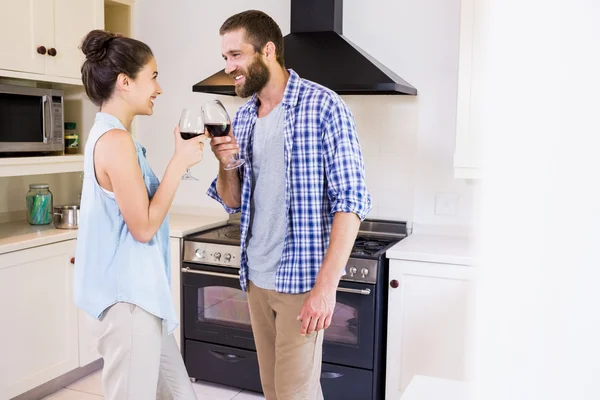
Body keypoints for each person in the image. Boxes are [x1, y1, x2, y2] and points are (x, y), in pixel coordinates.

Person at [207, 10, 372, 400]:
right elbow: (232, 202)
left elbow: (351, 202)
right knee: (273, 390)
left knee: (296, 393)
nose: (229, 67)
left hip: (301, 282)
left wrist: (325, 288)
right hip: (256, 277)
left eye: (236, 55)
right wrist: (225, 162)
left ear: (268, 50)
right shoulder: (244, 117)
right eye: (225, 58)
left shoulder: (324, 107)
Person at [73, 29, 202, 400]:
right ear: (125, 82)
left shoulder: (114, 136)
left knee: (181, 395)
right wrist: (178, 164)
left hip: (142, 297)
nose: (159, 89)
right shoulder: (115, 142)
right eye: (154, 77)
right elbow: (143, 227)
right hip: (127, 303)